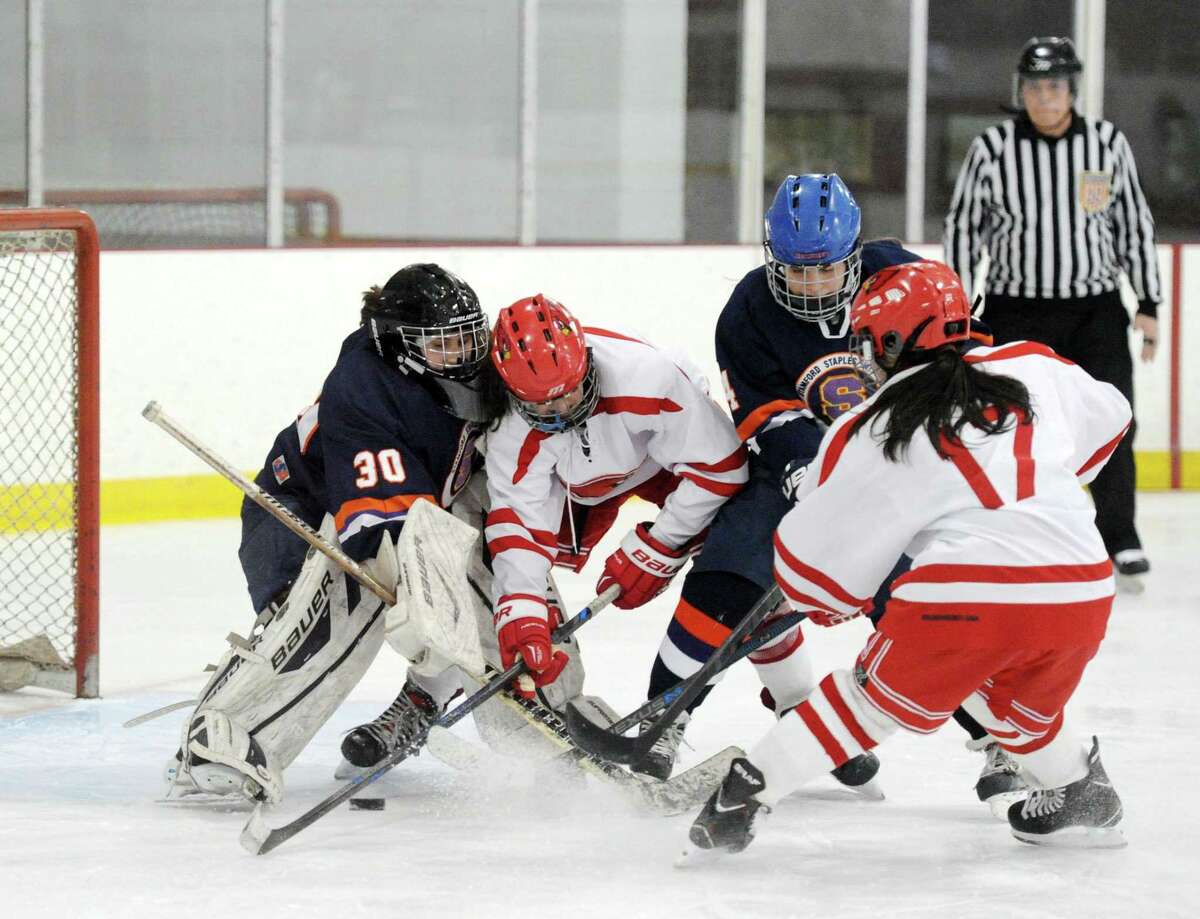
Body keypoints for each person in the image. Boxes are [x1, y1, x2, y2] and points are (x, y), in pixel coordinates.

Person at [684, 260, 1129, 859]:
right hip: (1083, 584)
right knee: (1010, 700)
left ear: (890, 342)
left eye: (867, 342)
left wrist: (836, 598)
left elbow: (813, 574)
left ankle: (744, 796)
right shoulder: (1032, 364)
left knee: (866, 701)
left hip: (966, 596)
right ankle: (1081, 790)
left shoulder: (874, 422)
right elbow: (1112, 416)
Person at [163, 263, 509, 802]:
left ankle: (442, 708)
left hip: (407, 507)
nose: (464, 353)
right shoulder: (363, 385)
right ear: (399, 345)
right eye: (443, 343)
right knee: (334, 613)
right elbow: (381, 531)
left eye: (468, 337)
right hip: (301, 514)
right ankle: (219, 737)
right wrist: (428, 608)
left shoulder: (472, 372)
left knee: (490, 582)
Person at [628, 174, 918, 793]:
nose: (810, 285)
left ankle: (1003, 745)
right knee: (726, 575)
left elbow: (950, 368)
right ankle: (663, 717)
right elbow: (766, 417)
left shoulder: (903, 280)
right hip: (791, 472)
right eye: (795, 271)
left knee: (925, 608)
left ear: (855, 253)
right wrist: (809, 474)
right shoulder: (749, 309)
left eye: (825, 270)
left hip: (897, 476)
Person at [944, 36, 1160, 592]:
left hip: (1095, 310)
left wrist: (1148, 301)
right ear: (1022, 91)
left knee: (1113, 418)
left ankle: (1120, 535)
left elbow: (1132, 224)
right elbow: (964, 227)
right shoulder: (992, 148)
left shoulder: (1106, 143)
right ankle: (1009, 531)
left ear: (1072, 90)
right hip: (1015, 311)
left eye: (1055, 86)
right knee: (1005, 425)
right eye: (1035, 87)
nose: (1045, 97)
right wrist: (957, 308)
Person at [483, 294, 750, 721]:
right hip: (580, 487)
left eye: (570, 393)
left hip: (666, 465)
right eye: (541, 405)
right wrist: (522, 605)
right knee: (510, 576)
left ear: (586, 360)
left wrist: (661, 545)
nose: (561, 412)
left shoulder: (648, 376)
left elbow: (722, 469)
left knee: (734, 571)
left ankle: (788, 697)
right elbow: (520, 524)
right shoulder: (508, 430)